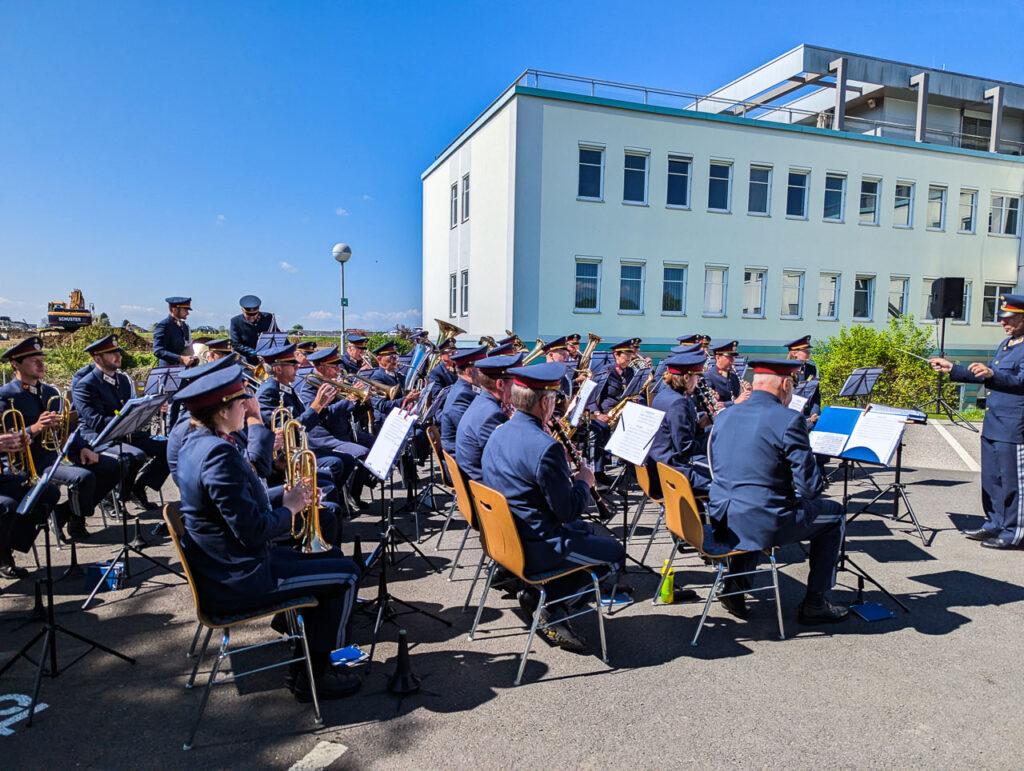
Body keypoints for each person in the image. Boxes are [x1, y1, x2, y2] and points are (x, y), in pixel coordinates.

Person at [174, 364, 361, 700]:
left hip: (228, 564)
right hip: (240, 578)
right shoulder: (218, 454)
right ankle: (313, 675)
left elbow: (238, 504)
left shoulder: (198, 442)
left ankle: (301, 636)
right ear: (222, 410)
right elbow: (253, 531)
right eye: (241, 402)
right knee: (346, 575)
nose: (247, 407)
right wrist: (289, 508)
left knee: (328, 554)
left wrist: (291, 497)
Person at [482, 362, 625, 651]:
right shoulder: (545, 447)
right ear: (545, 402)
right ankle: (550, 600)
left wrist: (565, 480)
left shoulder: (499, 431)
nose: (557, 405)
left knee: (587, 532)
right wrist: (584, 481)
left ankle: (549, 597)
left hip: (505, 541)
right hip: (538, 547)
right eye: (555, 400)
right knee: (615, 554)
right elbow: (568, 510)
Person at [707, 359, 847, 623]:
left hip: (721, 517)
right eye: (792, 385)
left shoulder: (725, 415)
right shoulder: (790, 420)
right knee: (834, 515)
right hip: (762, 522)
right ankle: (816, 602)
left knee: (749, 501)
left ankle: (735, 588)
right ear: (785, 384)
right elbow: (810, 489)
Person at [0, 336, 120, 540]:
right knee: (83, 478)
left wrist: (81, 447)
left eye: (41, 358)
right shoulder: (6, 396)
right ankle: (72, 519)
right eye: (33, 360)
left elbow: (69, 427)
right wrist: (35, 428)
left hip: (55, 458)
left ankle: (70, 515)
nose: (40, 363)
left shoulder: (49, 392)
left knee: (113, 466)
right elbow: (9, 438)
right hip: (29, 465)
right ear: (15, 364)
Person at [931, 293, 1024, 549]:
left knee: (1013, 482)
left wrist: (992, 374)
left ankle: (1015, 530)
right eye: (1002, 319)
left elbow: (1018, 381)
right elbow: (987, 376)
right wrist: (953, 369)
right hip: (995, 423)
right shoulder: (1007, 344)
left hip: (1014, 425)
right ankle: (995, 523)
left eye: (1009, 319)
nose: (1004, 324)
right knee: (992, 479)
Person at [72, 334, 170, 509]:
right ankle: (111, 498)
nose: (118, 356)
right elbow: (97, 423)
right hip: (99, 437)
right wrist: (129, 418)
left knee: (171, 447)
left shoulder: (123, 380)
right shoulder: (85, 385)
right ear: (97, 358)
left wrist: (150, 409)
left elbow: (128, 408)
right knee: (134, 456)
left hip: (125, 432)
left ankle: (137, 487)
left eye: (118, 352)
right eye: (112, 353)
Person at [646, 351, 712, 498]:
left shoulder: (665, 395)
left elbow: (674, 434)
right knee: (724, 484)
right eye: (697, 376)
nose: (699, 381)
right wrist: (713, 444)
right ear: (687, 377)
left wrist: (699, 427)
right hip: (672, 472)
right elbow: (685, 448)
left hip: (660, 466)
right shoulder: (678, 402)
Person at [455, 353, 521, 482]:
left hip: (478, 480)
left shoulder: (483, 401)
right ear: (500, 384)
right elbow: (507, 462)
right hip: (486, 489)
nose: (517, 389)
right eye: (515, 384)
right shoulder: (492, 414)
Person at [590, 338, 640, 482]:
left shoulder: (630, 371)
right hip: (607, 411)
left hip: (624, 410)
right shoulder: (606, 371)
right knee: (600, 428)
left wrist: (633, 398)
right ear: (616, 355)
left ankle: (630, 467)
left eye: (631, 355)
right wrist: (598, 414)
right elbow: (592, 395)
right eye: (627, 355)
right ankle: (598, 472)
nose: (630, 358)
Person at [439, 345, 487, 455]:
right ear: (469, 372)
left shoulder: (467, 387)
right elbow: (471, 432)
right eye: (481, 370)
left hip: (466, 450)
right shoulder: (461, 395)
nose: (485, 374)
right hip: (463, 456)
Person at [230, 294, 278, 365]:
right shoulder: (236, 321)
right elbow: (236, 344)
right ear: (242, 310)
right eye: (249, 315)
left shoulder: (268, 318)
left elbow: (276, 334)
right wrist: (253, 353)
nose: (252, 317)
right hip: (247, 361)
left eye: (255, 314)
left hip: (267, 361)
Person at [703, 340, 751, 410]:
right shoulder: (708, 376)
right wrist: (734, 402)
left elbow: (738, 400)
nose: (732, 360)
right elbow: (711, 405)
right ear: (718, 357)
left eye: (733, 357)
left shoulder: (734, 377)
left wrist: (745, 393)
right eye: (729, 357)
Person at [785, 335, 821, 427]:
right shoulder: (786, 369)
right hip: (790, 415)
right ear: (794, 353)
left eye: (809, 351)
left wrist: (815, 413)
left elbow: (815, 395)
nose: (808, 353)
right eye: (805, 351)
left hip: (807, 415)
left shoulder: (811, 369)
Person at [152, 296, 195, 367]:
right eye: (185, 310)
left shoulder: (184, 326)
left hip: (182, 368)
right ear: (174, 309)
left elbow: (185, 346)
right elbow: (158, 351)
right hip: (168, 369)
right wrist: (181, 358)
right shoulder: (164, 325)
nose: (188, 313)